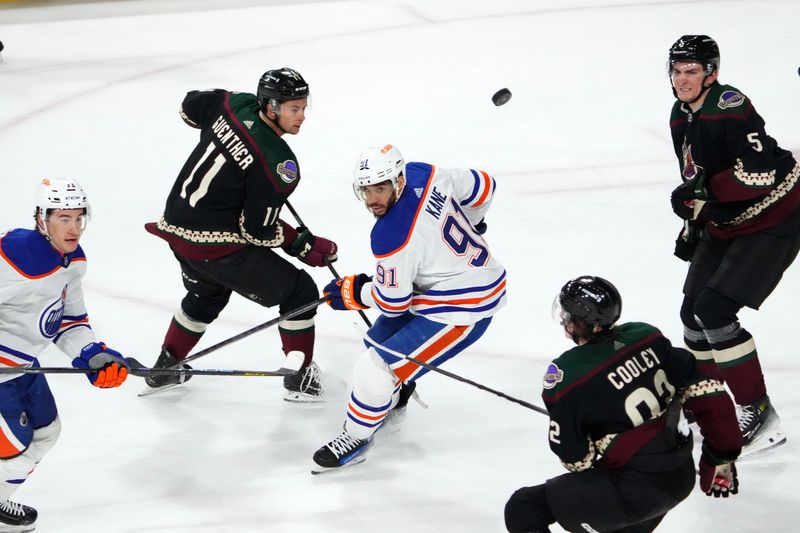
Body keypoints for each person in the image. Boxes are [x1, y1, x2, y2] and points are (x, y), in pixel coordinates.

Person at [143, 67, 339, 401]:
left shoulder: (235, 104)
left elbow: (190, 107)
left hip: (176, 228)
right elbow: (257, 230)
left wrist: (221, 125)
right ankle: (300, 379)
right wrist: (301, 243)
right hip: (215, 245)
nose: (302, 116)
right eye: (294, 108)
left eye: (304, 107)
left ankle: (167, 365)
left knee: (207, 295)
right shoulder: (278, 162)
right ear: (271, 107)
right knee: (301, 292)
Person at [311, 144, 506, 472]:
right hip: (449, 286)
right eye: (366, 189)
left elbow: (393, 303)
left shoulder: (392, 235)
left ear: (399, 180)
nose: (373, 199)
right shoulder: (424, 173)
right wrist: (472, 224)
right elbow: (484, 185)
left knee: (374, 370)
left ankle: (357, 438)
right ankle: (396, 396)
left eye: (381, 188)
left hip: (464, 308)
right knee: (375, 342)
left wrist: (354, 293)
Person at [505, 276, 742, 533]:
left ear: (588, 324)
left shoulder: (569, 374)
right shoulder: (645, 335)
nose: (565, 321)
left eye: (569, 316)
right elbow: (710, 393)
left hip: (632, 490)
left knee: (524, 507)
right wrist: (721, 456)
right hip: (679, 478)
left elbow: (577, 460)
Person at [667, 35, 799, 455]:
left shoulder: (730, 106)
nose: (682, 79)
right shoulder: (679, 114)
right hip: (727, 221)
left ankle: (759, 414)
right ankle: (710, 406)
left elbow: (757, 175)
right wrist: (694, 223)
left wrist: (704, 197)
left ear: (712, 73)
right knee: (691, 312)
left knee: (715, 310)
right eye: (676, 70)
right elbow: (697, 175)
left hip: (775, 216)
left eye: (691, 71)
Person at [0, 178, 129, 530]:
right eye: (63, 218)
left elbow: (70, 321)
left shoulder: (72, 261)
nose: (73, 228)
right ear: (42, 219)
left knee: (46, 432)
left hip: (24, 368)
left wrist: (92, 354)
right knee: (14, 449)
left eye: (78, 218)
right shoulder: (15, 255)